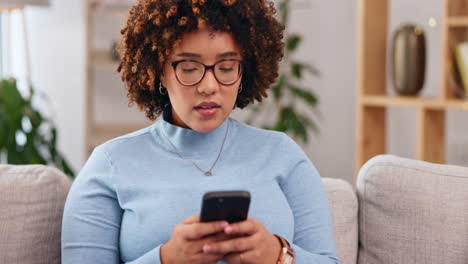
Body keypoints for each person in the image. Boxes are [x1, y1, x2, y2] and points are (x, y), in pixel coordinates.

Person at [61, 0, 340, 263]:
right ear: (159, 71)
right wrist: (166, 258)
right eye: (190, 68)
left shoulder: (283, 154)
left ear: (245, 71)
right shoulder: (109, 164)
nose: (209, 86)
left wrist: (276, 254)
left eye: (226, 67)